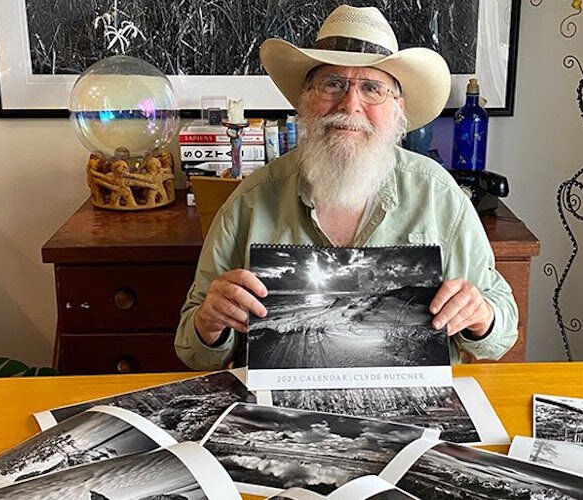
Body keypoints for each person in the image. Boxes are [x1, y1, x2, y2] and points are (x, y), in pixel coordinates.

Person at [175, 5, 518, 370]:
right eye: (333, 84)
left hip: (414, 410)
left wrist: (482, 316)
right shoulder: (251, 200)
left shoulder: (439, 195)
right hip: (279, 413)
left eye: (372, 88)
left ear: (397, 108)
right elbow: (191, 349)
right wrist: (209, 321)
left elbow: (502, 332)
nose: (350, 105)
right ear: (306, 99)